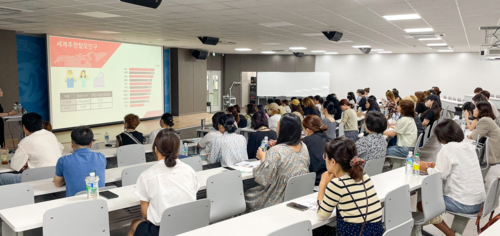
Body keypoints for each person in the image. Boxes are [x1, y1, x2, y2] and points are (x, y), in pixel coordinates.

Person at [420, 120, 485, 236]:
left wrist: (426, 168)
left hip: (463, 203)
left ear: (443, 136)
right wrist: (436, 167)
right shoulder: (469, 145)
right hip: (479, 202)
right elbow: (458, 167)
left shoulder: (448, 148)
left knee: (423, 204)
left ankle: (450, 234)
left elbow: (440, 175)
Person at [129, 129, 199, 236]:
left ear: (156, 149)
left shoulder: (146, 176)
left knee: (134, 223)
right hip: (189, 226)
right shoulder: (189, 170)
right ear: (178, 149)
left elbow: (144, 214)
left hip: (161, 231)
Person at [317, 137, 384, 236]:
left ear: (333, 161)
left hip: (354, 233)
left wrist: (322, 184)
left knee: (317, 231)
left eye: (325, 156)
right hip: (375, 232)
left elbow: (321, 216)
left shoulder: (337, 184)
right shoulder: (364, 176)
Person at [245, 113, 310, 212]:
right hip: (298, 193)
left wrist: (263, 158)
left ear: (284, 129)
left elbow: (263, 179)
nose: (276, 127)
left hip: (276, 197)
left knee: (246, 194)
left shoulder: (276, 151)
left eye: (278, 125)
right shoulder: (304, 146)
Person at [0, 113, 64, 185]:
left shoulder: (26, 141)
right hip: (56, 175)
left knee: (1, 178)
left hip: (37, 178)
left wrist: (25, 162)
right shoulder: (51, 134)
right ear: (41, 124)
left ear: (24, 127)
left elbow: (15, 166)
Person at [54, 126, 106, 197]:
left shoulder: (63, 161)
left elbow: (58, 184)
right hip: (99, 203)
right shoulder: (101, 157)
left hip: (75, 205)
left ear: (71, 144)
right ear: (91, 144)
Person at [468, 102, 500, 193]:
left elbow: (474, 135)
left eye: (475, 109)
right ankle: (480, 179)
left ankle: (479, 181)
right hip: (493, 146)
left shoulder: (484, 120)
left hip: (493, 148)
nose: (473, 110)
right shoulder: (487, 119)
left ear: (480, 111)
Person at [303, 115, 330, 185]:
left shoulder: (307, 141)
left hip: (315, 180)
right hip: (330, 177)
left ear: (307, 130)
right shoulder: (329, 138)